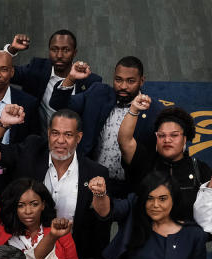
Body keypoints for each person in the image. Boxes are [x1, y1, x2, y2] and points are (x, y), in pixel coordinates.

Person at [0, 106, 113, 259]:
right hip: (22, 252)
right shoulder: (31, 151)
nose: (60, 141)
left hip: (69, 257)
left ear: (78, 137)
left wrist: (100, 195)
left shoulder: (95, 172)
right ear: (48, 133)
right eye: (55, 133)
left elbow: (102, 221)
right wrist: (3, 123)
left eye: (68, 135)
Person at [49, 56, 161, 189]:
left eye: (130, 81)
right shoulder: (98, 93)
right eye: (118, 80)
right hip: (89, 181)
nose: (123, 86)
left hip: (131, 186)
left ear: (142, 81)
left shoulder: (155, 111)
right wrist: (70, 78)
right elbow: (59, 104)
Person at [119, 102, 212, 208]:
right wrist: (133, 109)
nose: (167, 140)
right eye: (161, 135)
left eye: (174, 135)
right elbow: (124, 141)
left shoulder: (201, 170)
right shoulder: (145, 162)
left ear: (185, 138)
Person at [3, 30, 102, 124]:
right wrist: (12, 50)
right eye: (54, 49)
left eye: (66, 50)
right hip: (38, 138)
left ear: (74, 53)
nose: (59, 55)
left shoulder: (90, 82)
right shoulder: (37, 68)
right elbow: (3, 74)